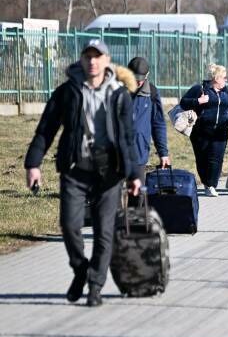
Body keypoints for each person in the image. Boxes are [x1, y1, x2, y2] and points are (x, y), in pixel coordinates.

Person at [24, 39, 142, 307]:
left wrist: (135, 174)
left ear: (106, 60)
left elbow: (127, 136)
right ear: (81, 60)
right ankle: (80, 270)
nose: (92, 61)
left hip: (110, 172)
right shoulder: (68, 91)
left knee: (103, 232)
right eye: (87, 56)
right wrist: (33, 163)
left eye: (97, 56)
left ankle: (96, 286)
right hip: (75, 170)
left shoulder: (118, 94)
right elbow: (46, 129)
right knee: (69, 225)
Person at [180, 64, 228, 196]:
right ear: (216, 78)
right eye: (224, 77)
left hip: (220, 133)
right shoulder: (200, 89)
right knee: (202, 159)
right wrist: (198, 101)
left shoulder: (227, 92)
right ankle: (206, 183)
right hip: (200, 133)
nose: (226, 80)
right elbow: (183, 102)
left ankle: (211, 185)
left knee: (216, 160)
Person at [127, 56, 170, 178]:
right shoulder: (116, 91)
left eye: (140, 79)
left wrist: (163, 153)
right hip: (116, 155)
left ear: (147, 75)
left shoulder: (152, 92)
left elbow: (158, 124)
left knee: (138, 194)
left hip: (139, 153)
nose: (137, 82)